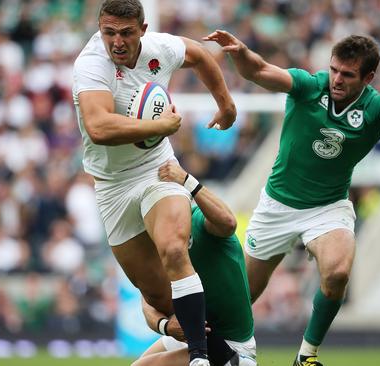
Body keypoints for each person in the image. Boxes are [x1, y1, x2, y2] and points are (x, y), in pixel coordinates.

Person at [203, 30, 380, 366]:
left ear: (368, 78)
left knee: (338, 272)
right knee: (238, 300)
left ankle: (306, 356)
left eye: (348, 74)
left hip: (328, 208)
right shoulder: (309, 86)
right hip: (277, 207)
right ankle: (196, 350)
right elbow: (259, 70)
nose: (337, 79)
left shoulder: (377, 106)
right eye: (334, 70)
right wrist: (240, 51)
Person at [73, 2, 236, 365]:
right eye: (109, 32)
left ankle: (198, 359)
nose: (116, 41)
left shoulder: (160, 48)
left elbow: (200, 54)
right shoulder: (91, 64)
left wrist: (226, 105)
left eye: (126, 33)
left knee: (174, 248)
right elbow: (99, 128)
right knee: (161, 299)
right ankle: (229, 358)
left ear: (142, 30)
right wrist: (159, 127)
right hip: (112, 186)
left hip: (157, 169)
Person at [133, 161, 256, 366]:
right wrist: (165, 326)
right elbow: (147, 302)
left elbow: (229, 222)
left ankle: (236, 362)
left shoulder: (200, 220)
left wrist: (188, 181)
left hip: (230, 342)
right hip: (191, 334)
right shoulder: (157, 238)